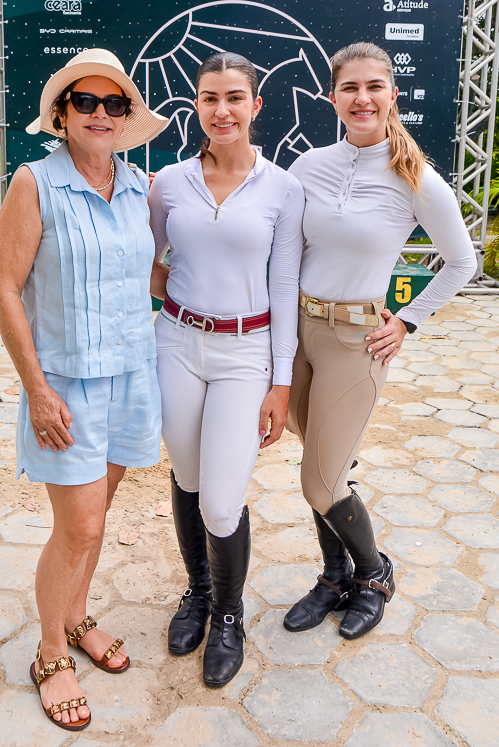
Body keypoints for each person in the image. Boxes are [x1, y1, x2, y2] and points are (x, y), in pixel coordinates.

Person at [0, 49, 168, 732]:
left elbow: (146, 275)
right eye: (84, 102)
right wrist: (35, 389)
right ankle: (48, 651)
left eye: (113, 103)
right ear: (61, 114)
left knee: (100, 513)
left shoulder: (136, 183)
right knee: (80, 526)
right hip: (63, 385)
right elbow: (5, 288)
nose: (99, 113)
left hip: (132, 376)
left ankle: (75, 615)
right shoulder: (34, 183)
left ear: (126, 117)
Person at [284, 41, 476, 640]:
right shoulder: (308, 166)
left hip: (355, 342)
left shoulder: (414, 177)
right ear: (333, 96)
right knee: (326, 463)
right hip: (297, 333)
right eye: (350, 88)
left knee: (318, 479)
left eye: (374, 86)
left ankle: (374, 573)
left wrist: (407, 319)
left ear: (392, 94)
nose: (362, 98)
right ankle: (334, 575)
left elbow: (461, 261)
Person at [149, 52, 304, 688]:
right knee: (186, 476)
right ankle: (198, 592)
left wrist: (281, 380)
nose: (222, 110)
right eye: (210, 98)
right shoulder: (166, 183)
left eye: (235, 98)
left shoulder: (283, 189)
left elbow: (287, 282)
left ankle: (230, 614)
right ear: (195, 105)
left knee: (220, 496)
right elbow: (154, 260)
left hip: (248, 353)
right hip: (178, 343)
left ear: (255, 105)